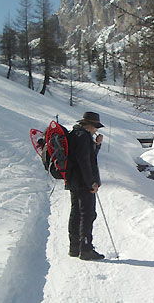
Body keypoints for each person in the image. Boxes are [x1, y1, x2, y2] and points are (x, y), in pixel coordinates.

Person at [65, 111, 105, 260]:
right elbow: (85, 162)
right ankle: (86, 249)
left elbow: (86, 156)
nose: (96, 131)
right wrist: (91, 183)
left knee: (76, 213)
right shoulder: (83, 137)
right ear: (90, 126)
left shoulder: (75, 134)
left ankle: (74, 248)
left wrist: (97, 145)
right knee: (87, 215)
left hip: (74, 181)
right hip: (83, 182)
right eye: (96, 128)